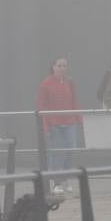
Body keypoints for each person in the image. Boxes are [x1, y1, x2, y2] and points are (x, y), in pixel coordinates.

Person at [37, 57, 82, 191]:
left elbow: (74, 101)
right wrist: (45, 125)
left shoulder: (70, 82)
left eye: (65, 66)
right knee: (57, 152)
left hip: (69, 123)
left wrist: (78, 119)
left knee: (70, 149)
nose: (62, 68)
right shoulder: (46, 83)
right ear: (53, 67)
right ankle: (56, 182)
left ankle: (65, 179)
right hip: (54, 123)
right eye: (59, 66)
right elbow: (42, 105)